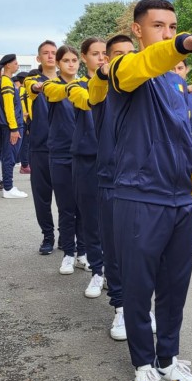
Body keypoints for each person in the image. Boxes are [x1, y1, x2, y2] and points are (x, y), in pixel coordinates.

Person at [106, 0, 192, 381]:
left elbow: (186, 142)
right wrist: (183, 43)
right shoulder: (126, 70)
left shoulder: (175, 81)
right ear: (138, 31)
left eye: (172, 26)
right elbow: (143, 65)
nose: (166, 33)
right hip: (138, 197)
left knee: (174, 288)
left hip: (179, 201)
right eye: (158, 27)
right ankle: (143, 366)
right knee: (138, 288)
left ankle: (167, 361)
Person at [88, 34, 136, 339]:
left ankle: (140, 306)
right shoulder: (100, 88)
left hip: (143, 181)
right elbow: (96, 85)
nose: (123, 61)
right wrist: (104, 72)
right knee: (115, 249)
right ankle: (120, 308)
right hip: (110, 179)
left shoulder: (145, 88)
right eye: (116, 55)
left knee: (142, 250)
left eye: (130, 55)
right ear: (106, 59)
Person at [33, 46, 87, 273]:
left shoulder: (86, 84)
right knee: (66, 206)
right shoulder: (52, 87)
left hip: (83, 153)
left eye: (75, 60)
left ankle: (83, 252)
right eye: (66, 60)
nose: (71, 64)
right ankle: (68, 252)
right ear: (57, 63)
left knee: (84, 207)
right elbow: (40, 88)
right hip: (60, 152)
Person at [66, 38, 107, 298]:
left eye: (105, 53)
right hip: (87, 160)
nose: (101, 58)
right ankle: (98, 271)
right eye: (95, 54)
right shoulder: (77, 86)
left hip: (117, 160)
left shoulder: (121, 85)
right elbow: (86, 99)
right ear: (84, 57)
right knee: (91, 219)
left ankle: (117, 273)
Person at [25, 42, 58, 254]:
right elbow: (33, 88)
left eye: (54, 53)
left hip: (66, 148)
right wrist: (40, 87)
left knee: (70, 198)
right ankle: (48, 235)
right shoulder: (33, 81)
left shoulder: (71, 82)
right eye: (45, 53)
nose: (50, 56)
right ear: (38, 58)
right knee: (42, 196)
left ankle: (67, 234)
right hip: (40, 146)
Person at [0, 54, 27, 199]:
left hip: (11, 125)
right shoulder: (7, 82)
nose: (18, 65)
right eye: (15, 63)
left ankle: (8, 186)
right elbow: (9, 108)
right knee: (9, 157)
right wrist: (13, 128)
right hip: (12, 126)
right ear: (8, 65)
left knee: (9, 156)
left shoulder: (5, 81)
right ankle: (8, 188)